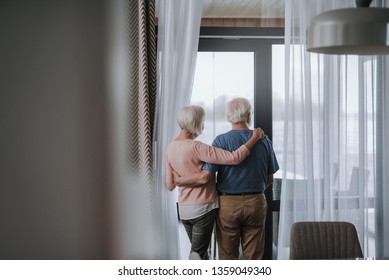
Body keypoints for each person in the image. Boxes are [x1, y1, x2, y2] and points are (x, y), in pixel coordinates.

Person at [175, 98, 279, 260]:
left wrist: (179, 180)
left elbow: (206, 176)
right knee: (254, 257)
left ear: (229, 117)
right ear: (248, 115)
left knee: (227, 256)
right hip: (256, 201)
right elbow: (270, 178)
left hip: (228, 205)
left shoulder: (221, 141)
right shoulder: (264, 141)